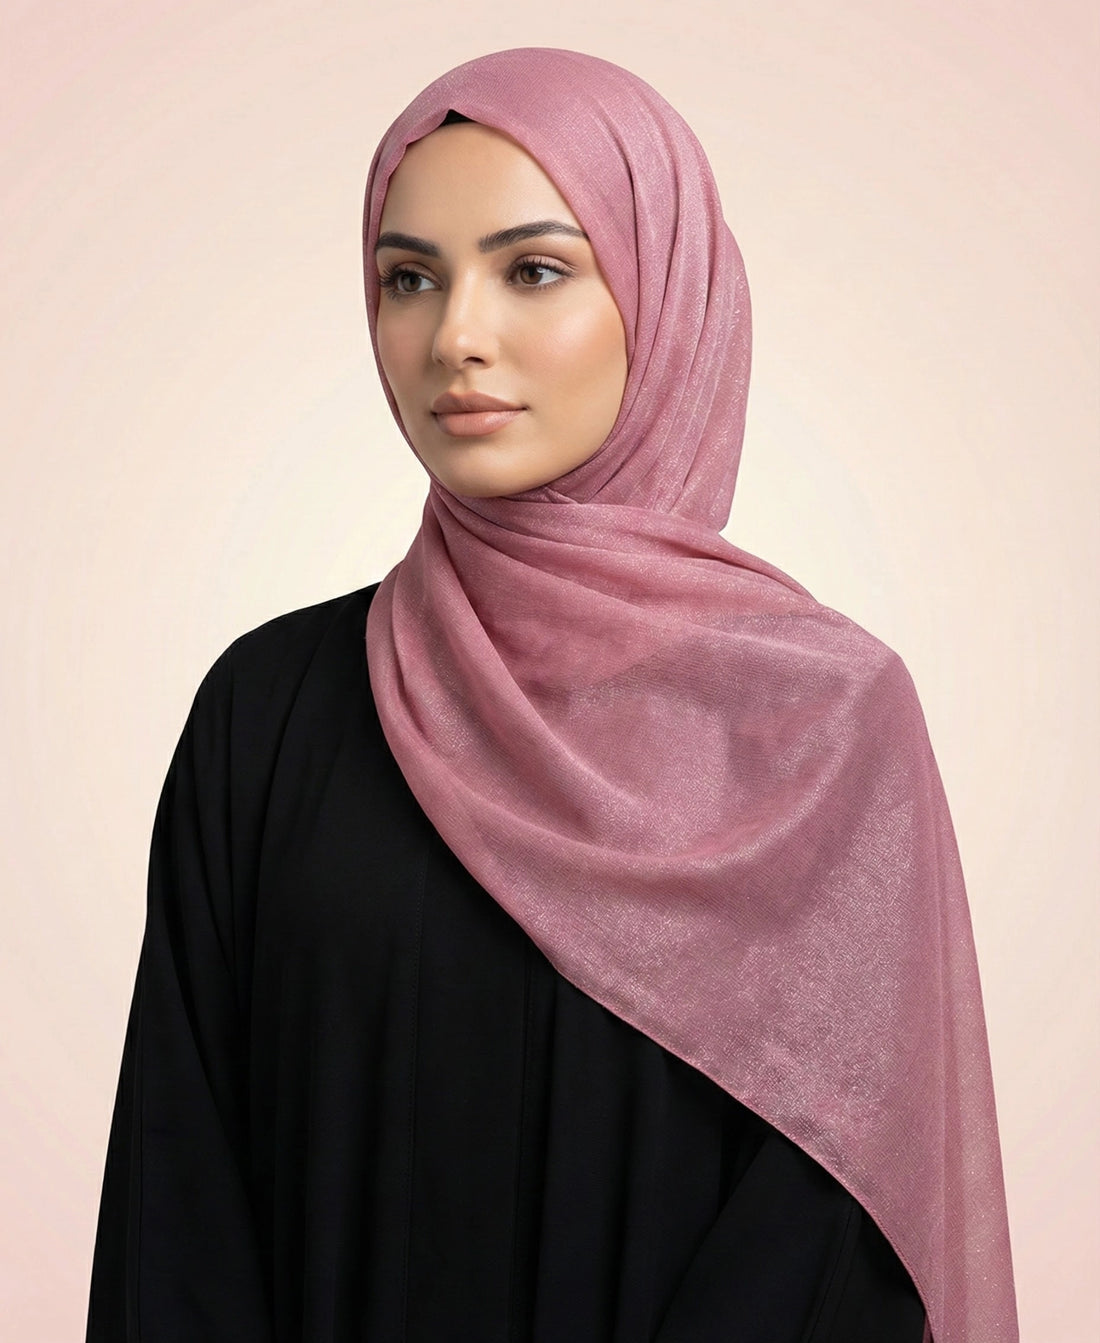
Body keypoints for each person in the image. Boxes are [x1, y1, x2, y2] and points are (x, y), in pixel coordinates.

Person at [85, 47, 1018, 1343]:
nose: (455, 337)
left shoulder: (822, 728)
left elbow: (840, 1234)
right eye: (410, 278)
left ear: (665, 293)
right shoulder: (270, 715)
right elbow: (178, 1222)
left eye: (532, 270)